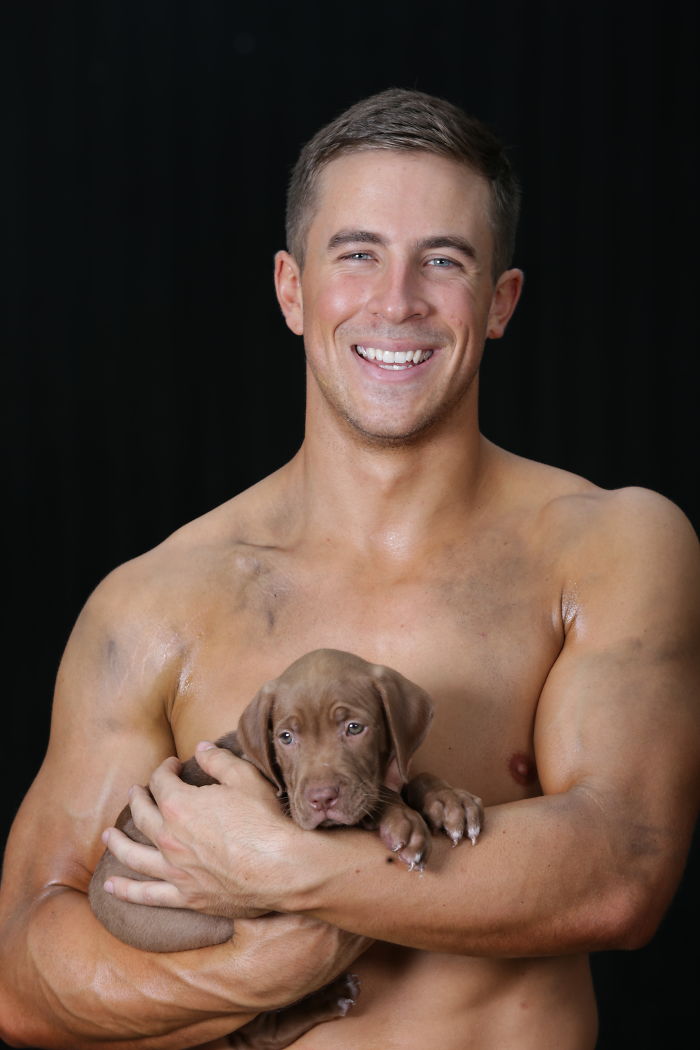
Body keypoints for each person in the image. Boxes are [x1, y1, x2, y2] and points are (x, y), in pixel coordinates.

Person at [1, 88, 698, 1050]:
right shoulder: (153, 604)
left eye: (443, 261)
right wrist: (248, 974)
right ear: (292, 290)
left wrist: (293, 874)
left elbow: (625, 864)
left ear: (500, 303)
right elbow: (23, 976)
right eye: (357, 253)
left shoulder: (610, 547)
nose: (397, 300)